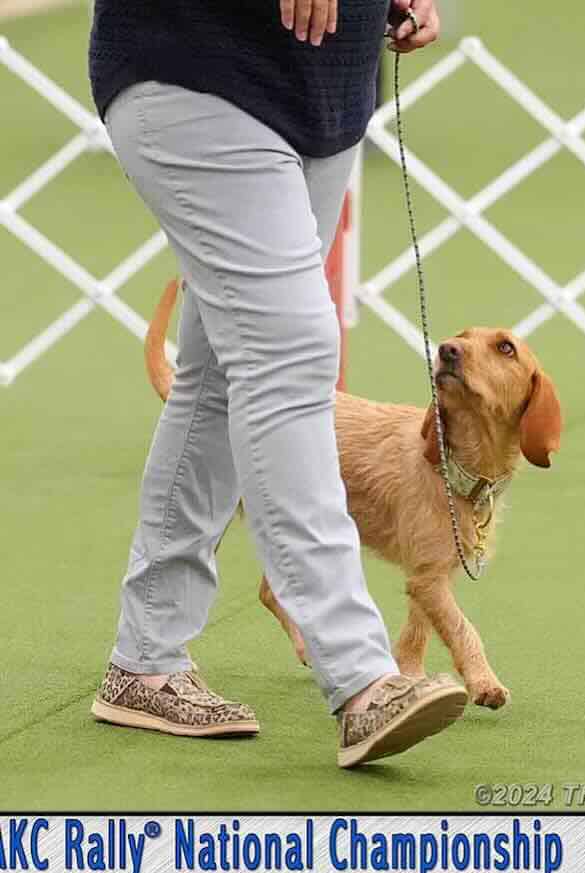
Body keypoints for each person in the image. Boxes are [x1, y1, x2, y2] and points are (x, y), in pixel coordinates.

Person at [88, 0, 466, 768]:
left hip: (322, 95)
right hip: (192, 67)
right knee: (290, 358)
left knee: (222, 373)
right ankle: (363, 678)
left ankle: (146, 660)